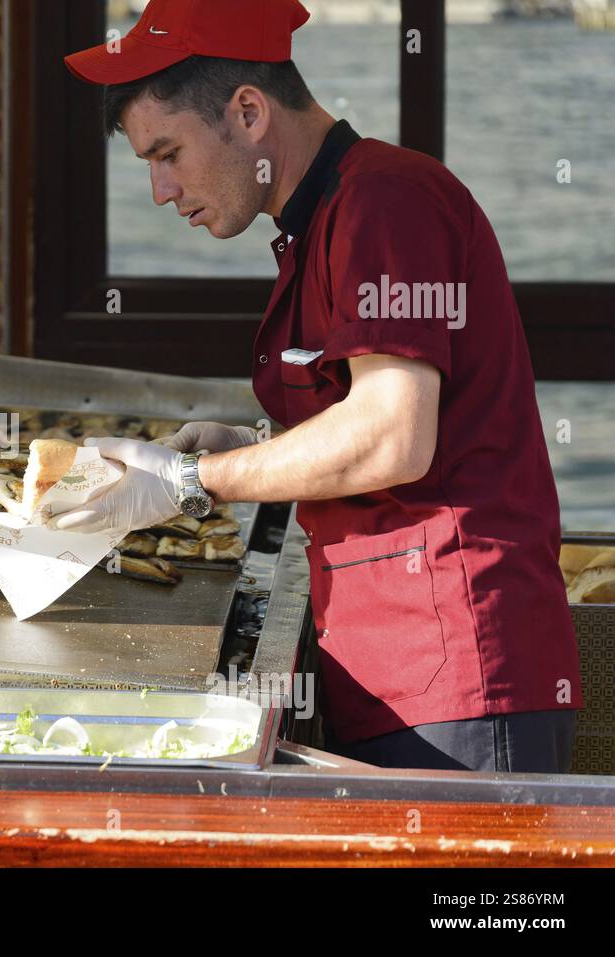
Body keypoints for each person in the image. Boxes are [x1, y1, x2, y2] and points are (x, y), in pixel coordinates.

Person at [56, 0, 583, 773]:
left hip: (460, 672)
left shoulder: (386, 203)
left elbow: (394, 434)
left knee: (482, 906)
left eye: (166, 153)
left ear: (247, 110)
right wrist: (256, 447)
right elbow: (366, 418)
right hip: (396, 666)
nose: (161, 191)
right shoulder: (323, 219)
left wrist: (194, 481)